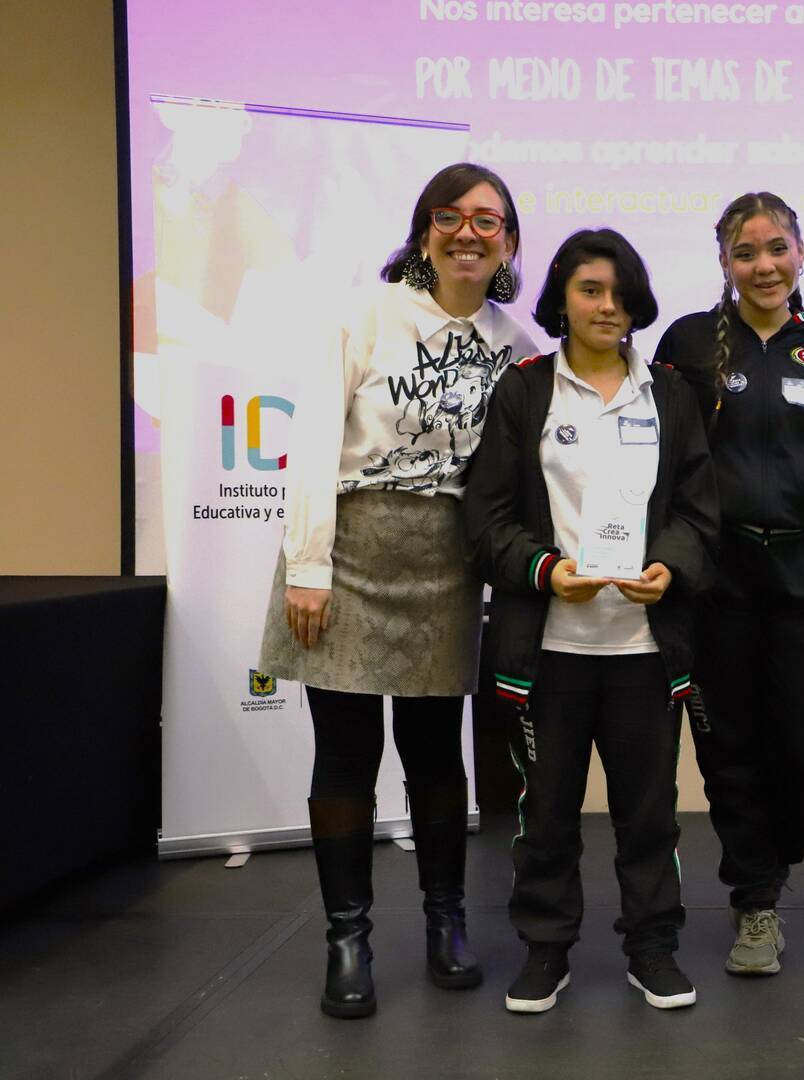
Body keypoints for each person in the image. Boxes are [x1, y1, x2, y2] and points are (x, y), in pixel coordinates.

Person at [258, 162, 537, 1018]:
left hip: (445, 563)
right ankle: (348, 940)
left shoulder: (516, 343)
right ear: (423, 233)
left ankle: (446, 925)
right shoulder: (365, 314)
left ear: (509, 243)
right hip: (347, 549)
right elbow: (311, 441)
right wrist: (307, 565)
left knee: (434, 753)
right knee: (345, 756)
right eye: (448, 217)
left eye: (487, 221)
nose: (467, 232)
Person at [463, 228, 720, 1013]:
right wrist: (545, 570)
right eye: (589, 290)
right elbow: (487, 514)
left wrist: (669, 566)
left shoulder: (670, 394)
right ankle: (547, 949)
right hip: (549, 648)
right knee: (545, 814)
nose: (607, 306)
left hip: (644, 648)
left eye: (618, 292)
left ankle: (652, 947)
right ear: (563, 302)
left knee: (649, 814)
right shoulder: (526, 390)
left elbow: (696, 511)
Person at [652, 192, 804, 977]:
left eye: (776, 248)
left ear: (800, 253)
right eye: (746, 252)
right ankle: (756, 903)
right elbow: (665, 463)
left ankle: (779, 854)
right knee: (729, 746)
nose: (763, 265)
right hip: (719, 580)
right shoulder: (689, 344)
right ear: (725, 262)